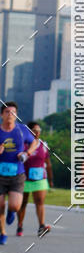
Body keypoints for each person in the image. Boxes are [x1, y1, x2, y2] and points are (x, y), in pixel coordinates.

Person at [0, 102, 40, 243]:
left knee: (15, 205)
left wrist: (27, 152)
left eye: (13, 112)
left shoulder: (22, 130)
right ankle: (3, 233)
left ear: (16, 115)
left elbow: (35, 142)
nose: (10, 115)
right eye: (7, 112)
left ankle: (12, 211)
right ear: (1, 115)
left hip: (17, 174)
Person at [17, 121, 54, 237]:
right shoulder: (23, 145)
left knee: (40, 202)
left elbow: (48, 163)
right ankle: (20, 225)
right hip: (25, 178)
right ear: (29, 131)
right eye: (34, 130)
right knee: (23, 203)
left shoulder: (43, 145)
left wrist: (51, 179)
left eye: (39, 131)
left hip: (40, 178)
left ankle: (41, 226)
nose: (37, 133)